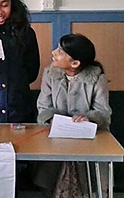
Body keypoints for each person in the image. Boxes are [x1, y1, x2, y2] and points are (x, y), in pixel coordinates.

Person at [34, 34, 111, 197]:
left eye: (60, 52)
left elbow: (103, 112)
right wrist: (52, 118)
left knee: (90, 184)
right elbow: (43, 107)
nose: (54, 52)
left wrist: (89, 118)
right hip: (55, 138)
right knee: (50, 180)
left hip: (90, 140)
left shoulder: (97, 78)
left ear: (75, 63)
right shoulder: (50, 74)